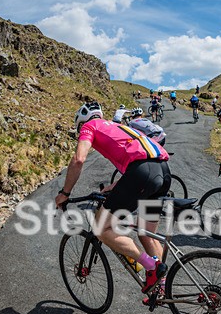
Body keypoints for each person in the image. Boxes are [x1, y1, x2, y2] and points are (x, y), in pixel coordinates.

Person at [55, 102, 172, 291]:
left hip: (143, 172)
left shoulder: (90, 126)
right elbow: (142, 163)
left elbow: (78, 160)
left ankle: (151, 267)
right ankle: (163, 287)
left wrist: (64, 193)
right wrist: (112, 187)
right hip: (163, 171)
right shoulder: (119, 127)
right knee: (146, 233)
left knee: (101, 228)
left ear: (82, 121)